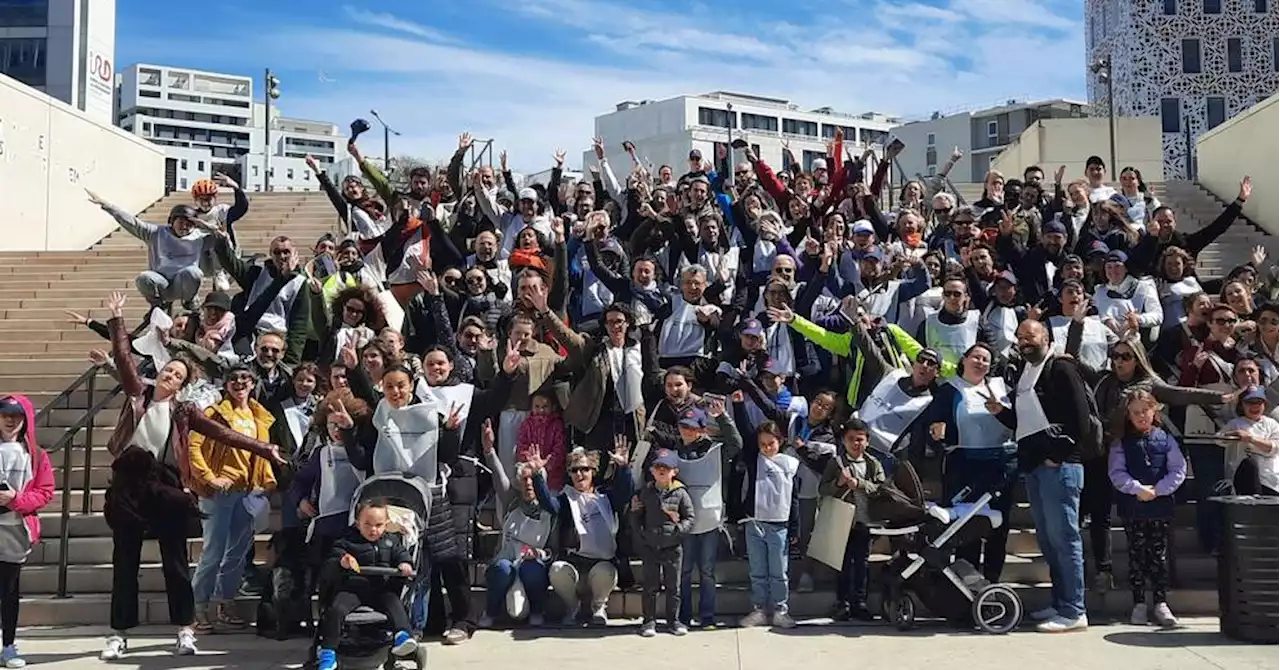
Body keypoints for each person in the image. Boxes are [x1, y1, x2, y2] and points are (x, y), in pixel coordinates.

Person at [98, 292, 283, 661]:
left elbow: (224, 434)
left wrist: (265, 450)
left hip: (166, 485)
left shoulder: (184, 411)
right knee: (125, 562)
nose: (170, 377)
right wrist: (117, 321)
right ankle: (119, 634)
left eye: (177, 375)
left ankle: (184, 629)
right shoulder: (139, 394)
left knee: (176, 562)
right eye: (168, 371)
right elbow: (123, 359)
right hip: (128, 484)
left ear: (183, 385)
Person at [989, 319, 1092, 633]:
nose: (1024, 341)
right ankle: (1060, 603)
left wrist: (1055, 456)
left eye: (1030, 335)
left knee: (1065, 539)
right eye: (1019, 337)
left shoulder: (1060, 368)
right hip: (1034, 466)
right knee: (1049, 541)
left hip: (1059, 468)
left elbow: (1080, 420)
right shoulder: (1025, 372)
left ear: (1046, 337)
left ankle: (1075, 610)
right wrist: (1000, 412)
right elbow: (1027, 419)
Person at [926, 343, 1017, 583]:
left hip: (1000, 465)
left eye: (986, 359)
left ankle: (992, 583)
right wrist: (937, 432)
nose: (980, 362)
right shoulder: (949, 390)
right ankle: (969, 583)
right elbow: (933, 426)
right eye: (975, 357)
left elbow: (1016, 420)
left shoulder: (1002, 388)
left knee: (998, 526)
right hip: (963, 466)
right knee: (967, 527)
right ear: (964, 360)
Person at [1106, 390, 1186, 628]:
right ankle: (1139, 602)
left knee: (1158, 555)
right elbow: (1116, 472)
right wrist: (1136, 488)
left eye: (1145, 411)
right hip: (1133, 507)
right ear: (1128, 415)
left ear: (1154, 411)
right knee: (1137, 555)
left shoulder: (1166, 439)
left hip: (1160, 506)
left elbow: (1178, 469)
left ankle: (1161, 601)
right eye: (1135, 412)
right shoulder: (1121, 443)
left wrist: (1159, 489)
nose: (1141, 416)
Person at [540, 442, 635, 626]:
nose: (579, 474)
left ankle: (598, 607)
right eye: (574, 470)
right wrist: (538, 475)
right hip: (574, 564)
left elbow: (626, 493)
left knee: (606, 572)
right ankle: (572, 606)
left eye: (584, 469)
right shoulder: (565, 499)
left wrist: (623, 467)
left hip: (601, 565)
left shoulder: (605, 496)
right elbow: (548, 505)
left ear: (593, 471)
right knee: (557, 569)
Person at [316, 499, 417, 670]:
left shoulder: (391, 542)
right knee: (336, 610)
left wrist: (404, 564)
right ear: (357, 523)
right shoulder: (346, 541)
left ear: (386, 524)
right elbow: (331, 560)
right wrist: (343, 561)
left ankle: (402, 635)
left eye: (378, 525)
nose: (373, 529)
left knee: (394, 604)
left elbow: (402, 555)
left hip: (381, 589)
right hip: (353, 589)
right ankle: (328, 652)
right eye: (367, 524)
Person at [480, 419, 556, 629]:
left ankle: (538, 610)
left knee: (532, 570)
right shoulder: (511, 500)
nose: (529, 484)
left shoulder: (550, 507)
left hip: (532, 567)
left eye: (533, 479)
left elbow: (552, 549)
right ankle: (491, 612)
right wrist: (489, 450)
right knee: (503, 571)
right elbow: (498, 475)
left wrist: (538, 555)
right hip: (508, 566)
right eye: (524, 480)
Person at [0, 395, 55, 668]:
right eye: (5, 414)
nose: (10, 420)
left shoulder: (35, 455)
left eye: (17, 416)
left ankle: (8, 645)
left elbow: (45, 492)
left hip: (15, 531)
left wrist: (14, 500)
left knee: (9, 591)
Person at [86, 190, 208, 311]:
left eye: (189, 224)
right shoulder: (155, 233)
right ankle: (156, 304)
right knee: (143, 278)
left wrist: (209, 228)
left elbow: (223, 238)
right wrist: (106, 205)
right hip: (161, 283)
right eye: (181, 222)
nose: (184, 227)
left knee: (194, 273)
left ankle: (190, 300)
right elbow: (132, 222)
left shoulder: (200, 237)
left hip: (183, 285)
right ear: (172, 221)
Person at [733, 420, 800, 629]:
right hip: (755, 523)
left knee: (779, 571)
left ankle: (780, 610)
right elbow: (744, 432)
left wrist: (794, 527)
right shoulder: (754, 461)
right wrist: (738, 404)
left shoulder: (789, 464)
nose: (767, 448)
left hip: (779, 524)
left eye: (771, 443)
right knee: (758, 570)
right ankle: (759, 609)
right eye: (762, 444)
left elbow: (794, 498)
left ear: (779, 441)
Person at [817, 418, 885, 621]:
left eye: (860, 439)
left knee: (862, 564)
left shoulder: (873, 464)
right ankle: (842, 603)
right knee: (843, 564)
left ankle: (860, 603)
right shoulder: (836, 463)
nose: (856, 444)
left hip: (865, 521)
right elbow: (823, 489)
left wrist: (860, 484)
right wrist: (838, 483)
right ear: (844, 441)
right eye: (851, 439)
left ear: (867, 441)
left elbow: (883, 489)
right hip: (842, 519)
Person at [631, 449, 695, 637]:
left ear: (674, 471)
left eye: (665, 468)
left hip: (673, 547)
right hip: (651, 546)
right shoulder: (646, 492)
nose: (661, 471)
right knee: (650, 587)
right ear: (651, 470)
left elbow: (690, 517)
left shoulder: (681, 493)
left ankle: (673, 621)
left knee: (673, 587)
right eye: (658, 467)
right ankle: (649, 621)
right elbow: (636, 517)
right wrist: (640, 529)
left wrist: (678, 530)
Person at [1219, 386, 1280, 496]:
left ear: (1264, 404)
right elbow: (1219, 440)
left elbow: (1276, 448)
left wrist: (1251, 439)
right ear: (1242, 405)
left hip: (1270, 480)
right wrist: (1234, 435)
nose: (1255, 406)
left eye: (1259, 402)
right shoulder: (1235, 423)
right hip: (1243, 477)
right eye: (1250, 402)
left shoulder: (1272, 424)